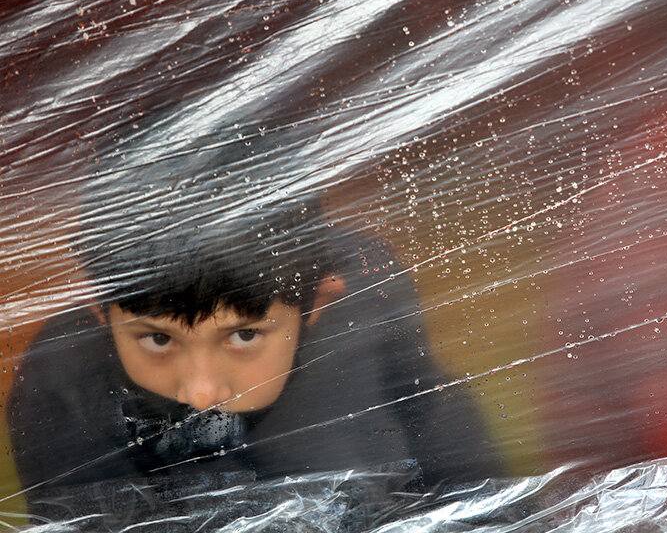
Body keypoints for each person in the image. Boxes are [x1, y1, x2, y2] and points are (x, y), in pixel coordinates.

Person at [7, 120, 502, 528]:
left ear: (318, 305)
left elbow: (459, 462)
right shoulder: (63, 390)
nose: (202, 391)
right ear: (100, 310)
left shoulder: (367, 320)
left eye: (244, 336)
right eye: (158, 339)